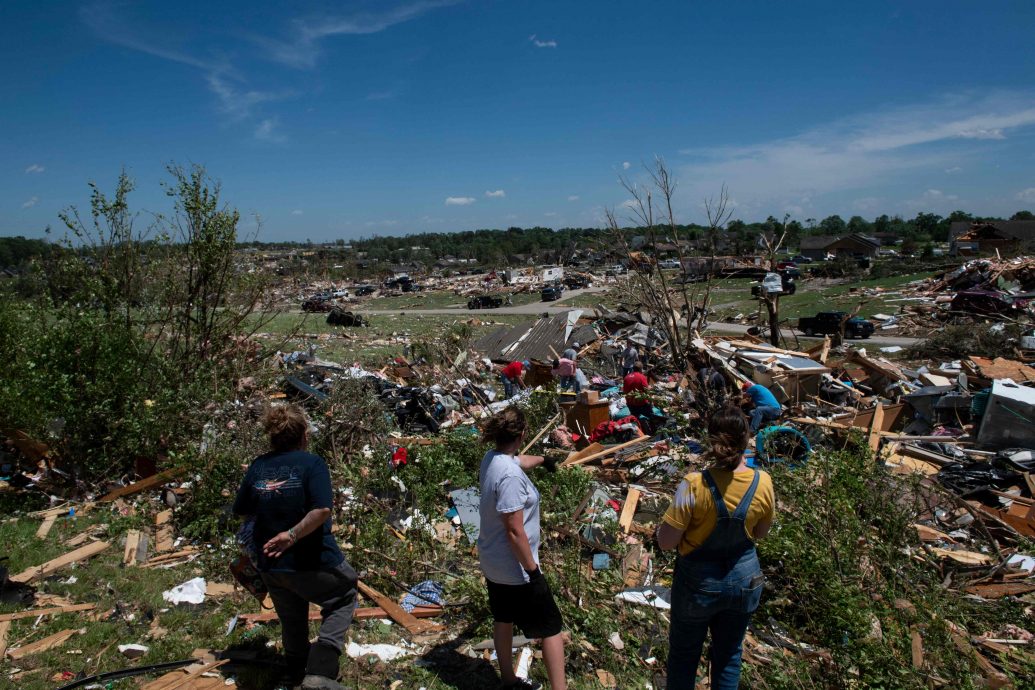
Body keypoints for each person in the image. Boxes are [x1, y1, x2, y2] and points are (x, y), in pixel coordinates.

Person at [233, 405, 357, 690]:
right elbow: (322, 509)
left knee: (291, 616)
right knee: (343, 594)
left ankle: (294, 673)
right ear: (303, 434)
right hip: (312, 559)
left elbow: (242, 510)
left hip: (272, 564)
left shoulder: (258, 466)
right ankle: (320, 672)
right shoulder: (312, 464)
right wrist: (292, 534)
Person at [656, 406, 775, 690]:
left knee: (684, 657)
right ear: (747, 440)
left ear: (711, 440)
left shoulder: (693, 485)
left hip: (698, 584)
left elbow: (666, 542)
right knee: (729, 656)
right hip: (745, 581)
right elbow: (760, 533)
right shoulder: (764, 482)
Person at [478, 408, 567, 690]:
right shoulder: (511, 478)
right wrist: (534, 573)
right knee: (551, 627)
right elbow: (515, 531)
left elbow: (518, 461)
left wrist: (543, 459)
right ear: (522, 434)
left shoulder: (492, 459)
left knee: (503, 618)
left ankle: (507, 679)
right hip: (515, 567)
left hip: (493, 561)